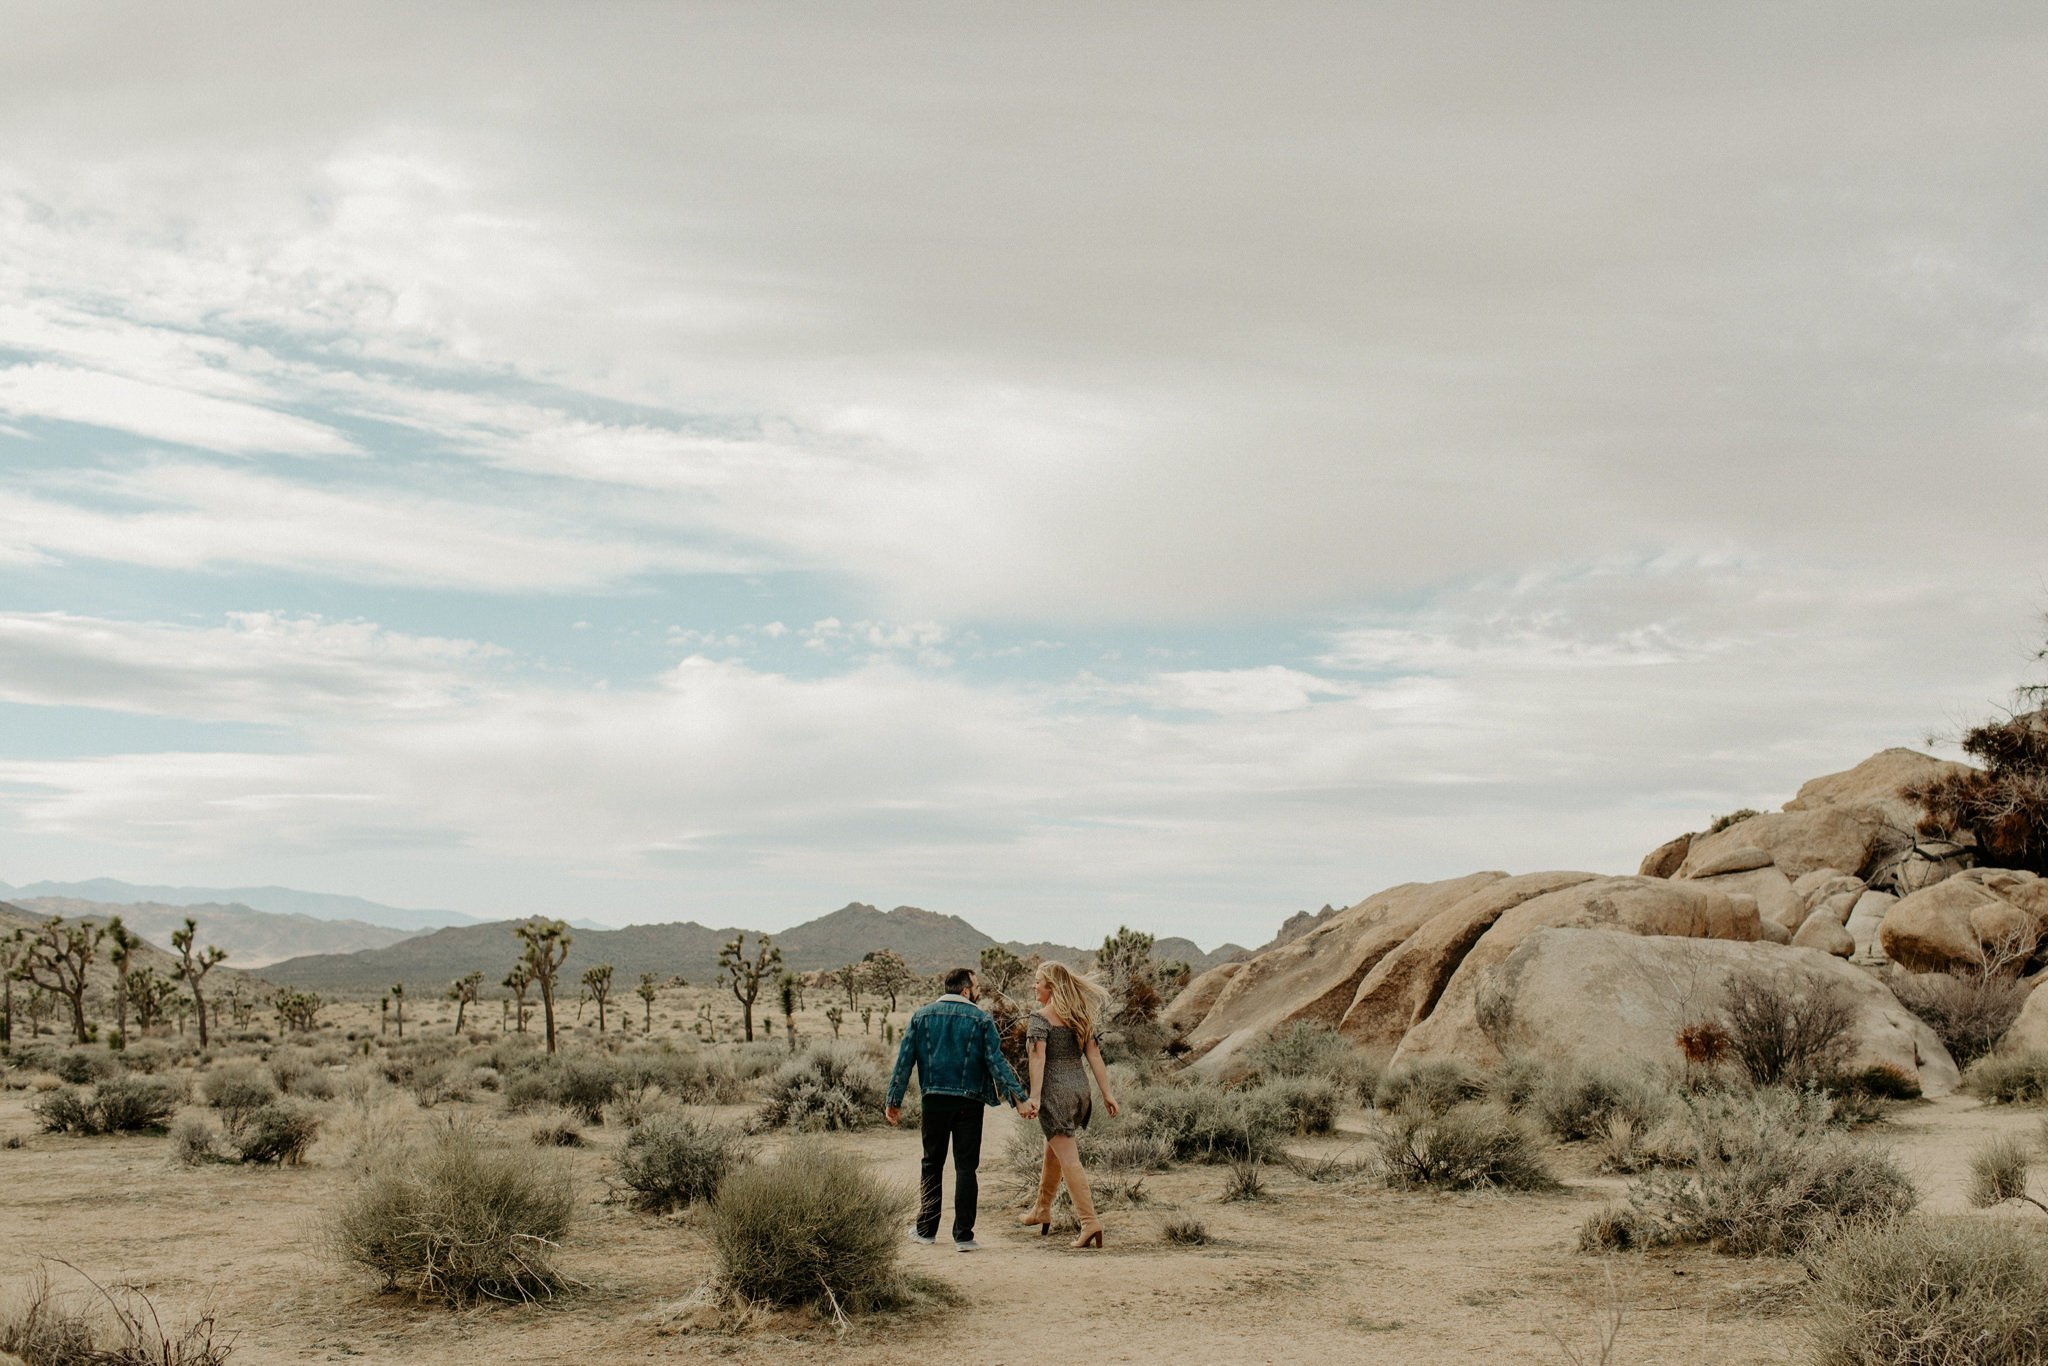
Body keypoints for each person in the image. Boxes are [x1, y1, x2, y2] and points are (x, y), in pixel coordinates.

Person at [886, 966, 1032, 1251]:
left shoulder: (921, 1016)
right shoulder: (981, 1019)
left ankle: (926, 1230)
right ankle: (964, 1236)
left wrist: (894, 1100)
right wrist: (1020, 1097)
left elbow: (904, 1061)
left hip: (934, 1101)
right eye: (976, 987)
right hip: (969, 1103)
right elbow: (996, 1063)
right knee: (966, 1168)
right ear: (965, 990)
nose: (978, 992)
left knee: (931, 1164)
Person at [1017, 960, 1119, 1249]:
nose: (1034, 985)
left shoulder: (1041, 1018)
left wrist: (1034, 1096)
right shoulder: (1080, 1016)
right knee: (1053, 1148)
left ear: (1051, 985)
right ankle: (1042, 1209)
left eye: (1038, 981)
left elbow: (1038, 1059)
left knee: (1070, 1159)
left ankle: (1090, 1223)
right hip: (1079, 1092)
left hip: (1055, 1094)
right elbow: (1095, 1057)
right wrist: (1106, 1093)